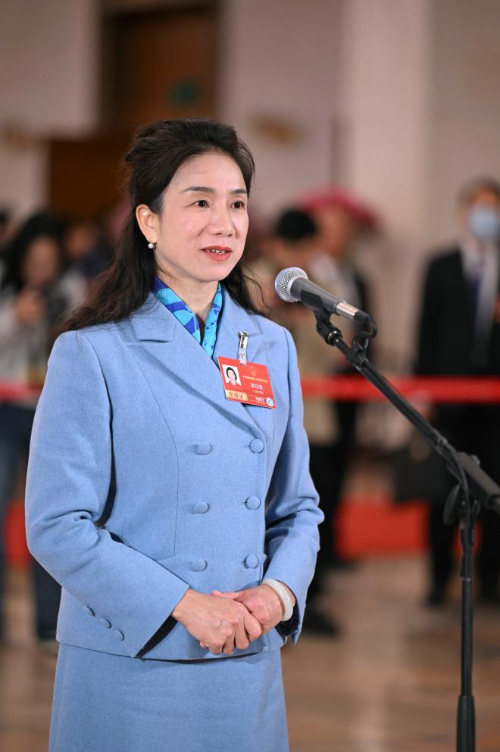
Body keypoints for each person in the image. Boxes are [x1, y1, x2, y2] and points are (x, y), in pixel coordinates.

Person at [25, 118, 323, 752]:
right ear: (148, 221)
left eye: (237, 204)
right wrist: (186, 605)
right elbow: (57, 525)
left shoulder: (271, 345)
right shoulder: (92, 351)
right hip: (135, 659)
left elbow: (298, 506)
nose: (225, 224)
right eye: (200, 202)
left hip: (245, 657)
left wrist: (277, 595)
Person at [416, 176, 500, 606]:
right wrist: (423, 394)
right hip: (447, 401)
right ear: (464, 212)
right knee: (442, 493)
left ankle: (490, 581)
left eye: (494, 208)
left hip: (495, 405)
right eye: (480, 207)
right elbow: (425, 332)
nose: (487, 216)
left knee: (493, 490)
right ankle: (437, 579)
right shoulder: (441, 265)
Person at [0, 221, 75, 643]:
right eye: (33, 262)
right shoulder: (6, 285)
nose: (41, 270)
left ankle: (49, 622)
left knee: (51, 517)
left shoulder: (70, 289)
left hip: (51, 409)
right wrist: (15, 316)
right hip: (6, 407)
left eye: (49, 262)